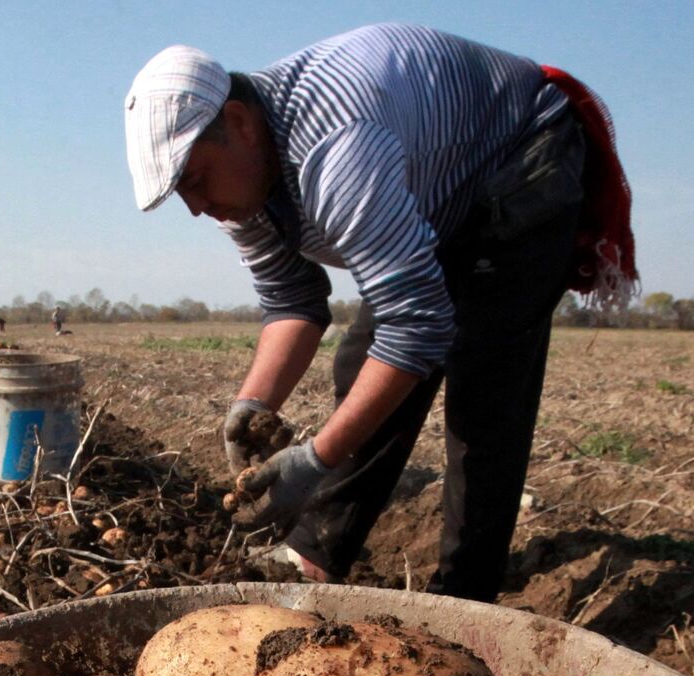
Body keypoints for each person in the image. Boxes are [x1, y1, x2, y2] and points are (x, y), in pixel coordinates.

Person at [125, 26, 636, 603]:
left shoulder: (336, 153)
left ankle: (464, 597)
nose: (196, 208)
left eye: (194, 181)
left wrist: (316, 458)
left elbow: (417, 327)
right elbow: (291, 299)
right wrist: (253, 405)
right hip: (437, 190)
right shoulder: (243, 181)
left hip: (519, 162)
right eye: (181, 194)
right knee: (361, 365)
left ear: (240, 123)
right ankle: (314, 554)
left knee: (483, 400)